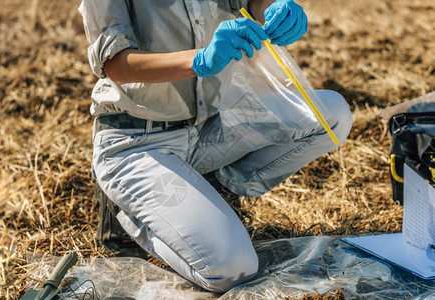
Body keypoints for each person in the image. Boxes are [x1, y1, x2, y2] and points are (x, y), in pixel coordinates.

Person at [79, 0, 352, 293]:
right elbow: (116, 64)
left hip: (210, 126)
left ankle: (216, 188)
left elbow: (253, 4)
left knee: (331, 114)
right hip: (138, 141)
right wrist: (199, 59)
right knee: (232, 270)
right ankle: (129, 211)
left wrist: (275, 10)